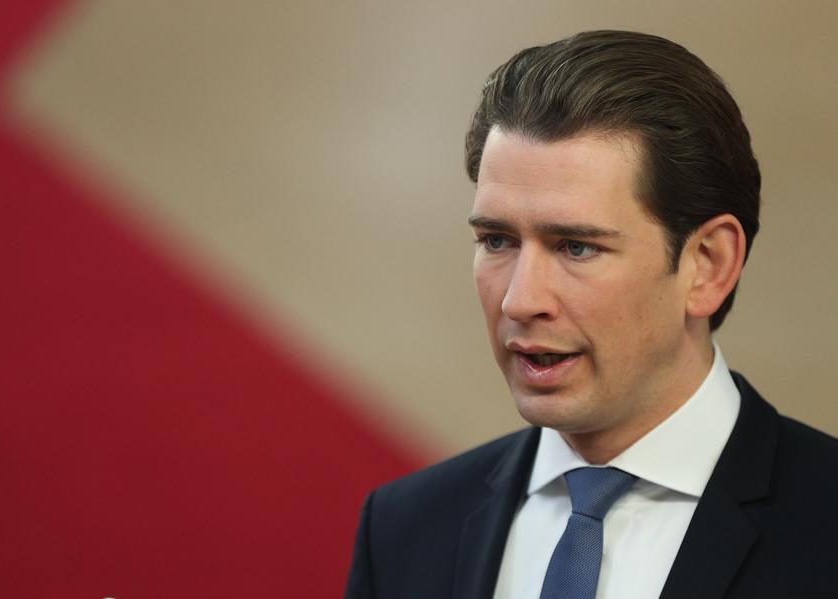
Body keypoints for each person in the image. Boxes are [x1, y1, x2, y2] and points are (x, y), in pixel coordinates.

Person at [343, 30, 838, 599]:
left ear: (708, 264)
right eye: (498, 240)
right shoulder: (404, 529)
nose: (519, 300)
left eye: (576, 247)